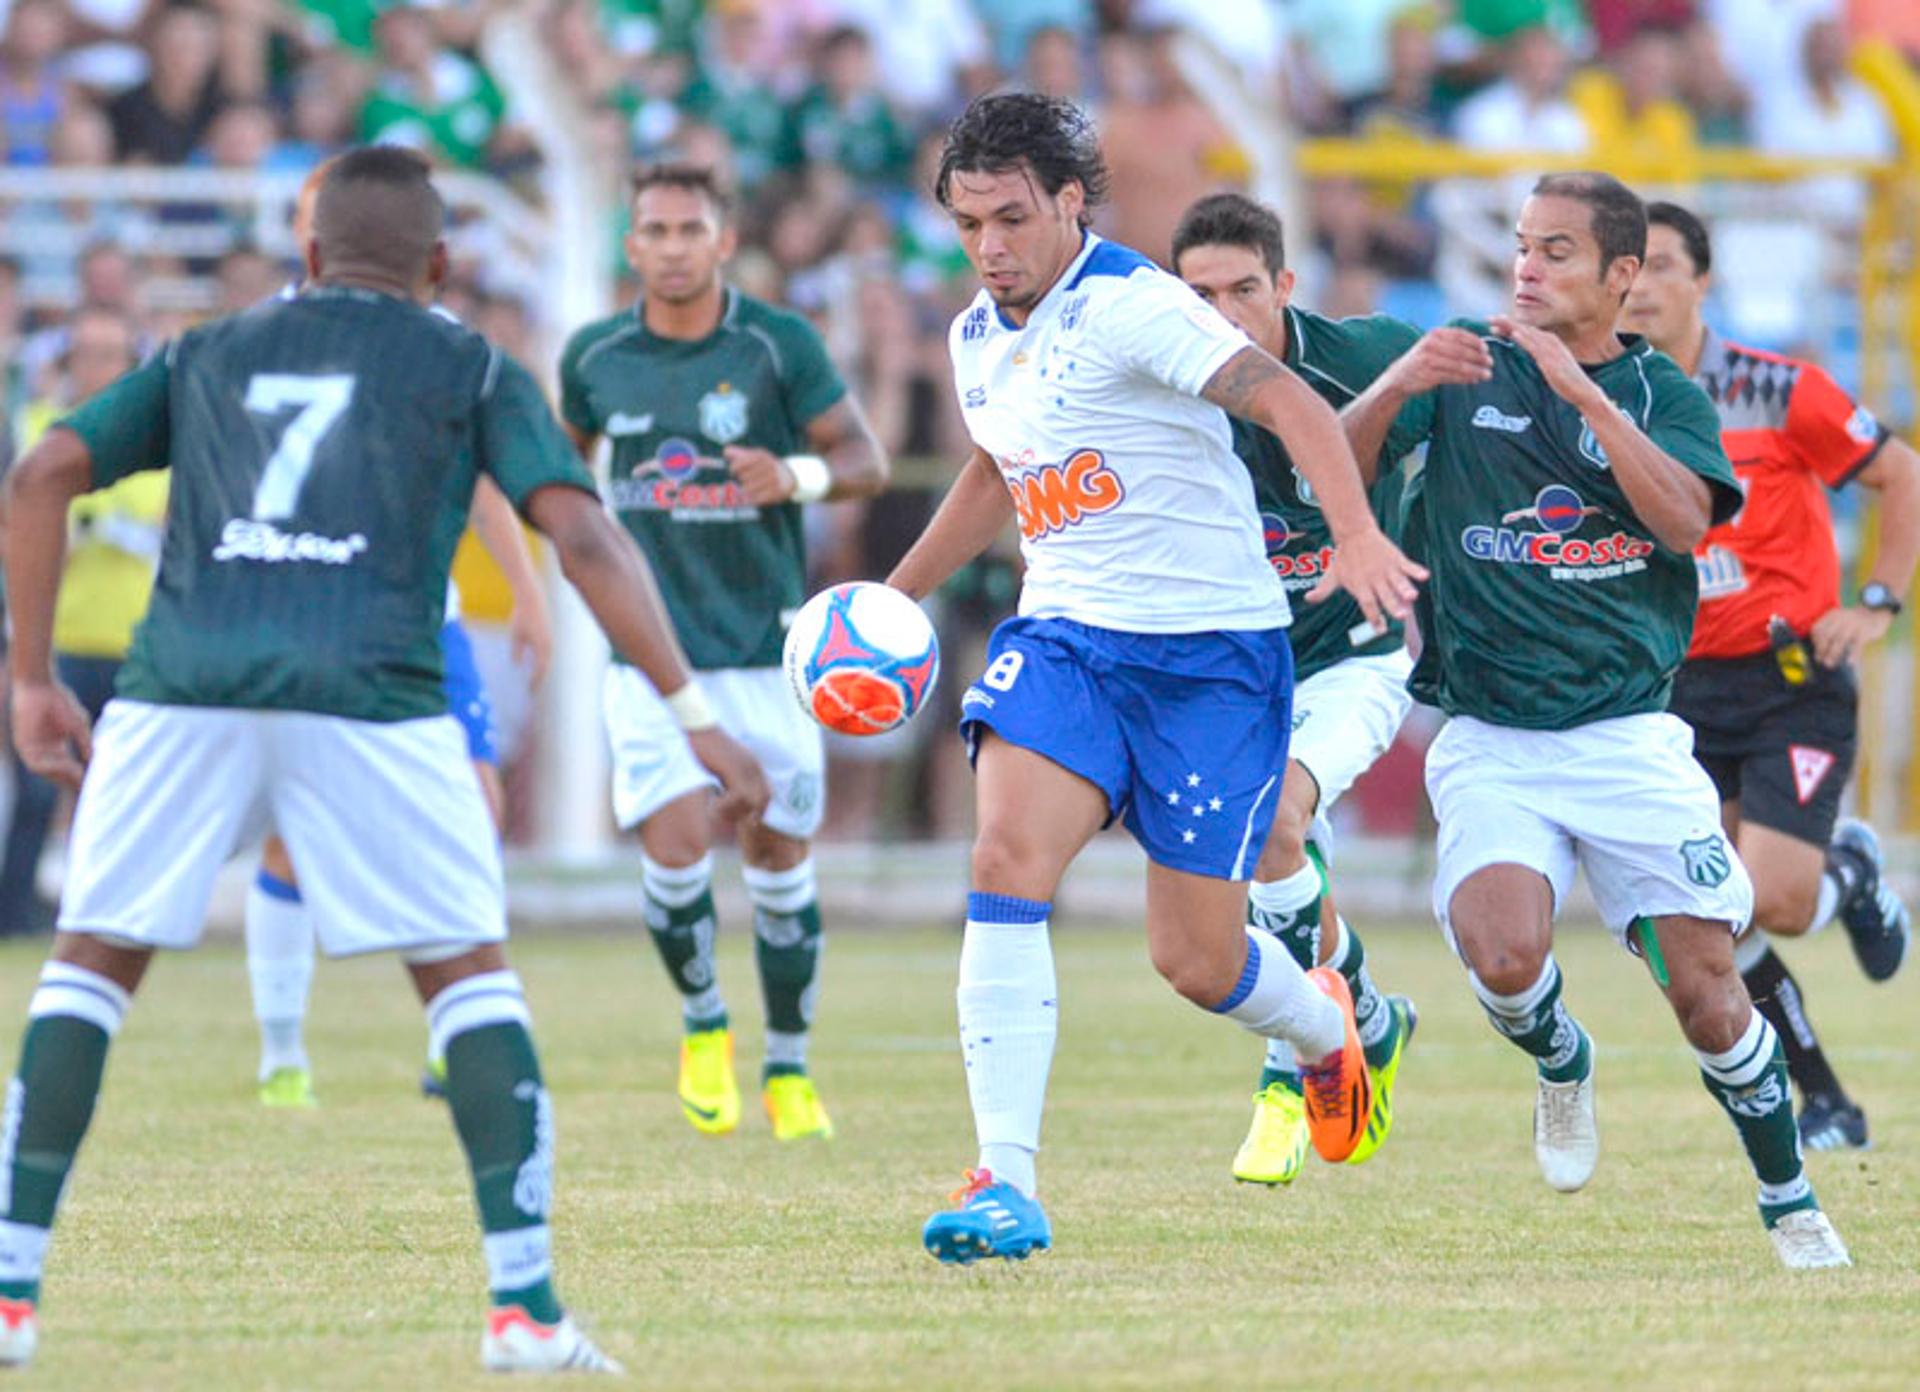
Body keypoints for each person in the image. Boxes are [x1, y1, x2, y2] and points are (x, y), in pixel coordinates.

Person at [0, 145, 766, 1372]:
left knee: (90, 964)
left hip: (181, 684)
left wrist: (31, 678)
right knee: (467, 978)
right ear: (444, 265)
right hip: (375, 692)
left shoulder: (206, 349)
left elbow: (43, 473)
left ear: (307, 256)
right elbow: (585, 536)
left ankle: (10, 1290)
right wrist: (692, 709)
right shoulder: (468, 361)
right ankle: (521, 1305)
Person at [886, 92, 1425, 1263]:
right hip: (1070, 638)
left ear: (1071, 203)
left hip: (1210, 662)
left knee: (1195, 960)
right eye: (969, 222)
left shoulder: (1134, 305)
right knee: (1003, 861)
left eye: (1012, 218)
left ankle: (1326, 1029)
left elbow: (1285, 401)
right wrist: (894, 597)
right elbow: (995, 467)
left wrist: (1354, 536)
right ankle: (1005, 1184)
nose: (989, 246)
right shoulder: (976, 334)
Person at [1342, 171, 1850, 1269]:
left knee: (1711, 1001)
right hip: (1489, 733)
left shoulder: (1667, 392)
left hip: (1626, 736)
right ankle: (1560, 1058)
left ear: (1624, 275)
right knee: (1502, 950)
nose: (1528, 267)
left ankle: (1790, 1200)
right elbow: (1331, 466)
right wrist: (1393, 386)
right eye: (1523, 247)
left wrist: (1583, 394)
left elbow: (1678, 525)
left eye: (1557, 251)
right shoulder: (1458, 365)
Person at [559, 163, 889, 1142]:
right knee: (672, 849)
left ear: (723, 240)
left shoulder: (777, 346)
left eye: (688, 229)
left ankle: (788, 1064)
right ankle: (705, 1027)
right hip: (651, 660)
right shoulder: (593, 358)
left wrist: (791, 474)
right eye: (653, 230)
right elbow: (562, 473)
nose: (671, 246)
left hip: (767, 650)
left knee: (780, 857)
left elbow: (865, 463)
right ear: (632, 246)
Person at [243, 157, 554, 1110]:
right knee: (293, 834)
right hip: (311, 614)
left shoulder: (441, 341)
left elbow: (481, 477)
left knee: (473, 809)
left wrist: (526, 584)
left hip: (427, 621)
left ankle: (452, 1041)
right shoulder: (263, 339)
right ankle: (282, 1049)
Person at [1624, 199, 1919, 1150]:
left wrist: (1876, 602)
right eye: (1628, 268)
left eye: (1663, 266)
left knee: (1778, 898)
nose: (1641, 286)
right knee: (1711, 917)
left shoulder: (1774, 387)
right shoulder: (1602, 401)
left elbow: (1901, 473)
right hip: (1672, 690)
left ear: (1703, 281)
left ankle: (1851, 874)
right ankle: (1825, 1097)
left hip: (1789, 677)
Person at [1170, 192, 1420, 1186]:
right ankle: (1369, 1011)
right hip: (1229, 670)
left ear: (1283, 285)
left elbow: (1483, 438)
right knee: (1256, 874)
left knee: (1277, 823)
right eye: (1199, 295)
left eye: (1243, 290)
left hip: (1353, 654)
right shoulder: (1160, 384)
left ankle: (1289, 1080)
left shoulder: (1361, 359)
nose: (1223, 315)